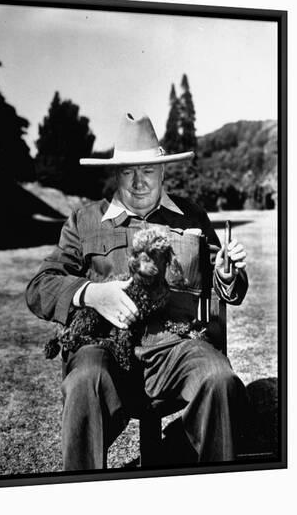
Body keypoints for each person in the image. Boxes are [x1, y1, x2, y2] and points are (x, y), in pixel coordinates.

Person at [26, 113, 248, 470]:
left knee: (218, 378)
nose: (139, 182)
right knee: (85, 380)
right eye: (128, 171)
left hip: (176, 347)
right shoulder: (83, 222)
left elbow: (227, 285)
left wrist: (226, 273)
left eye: (148, 170)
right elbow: (40, 286)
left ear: (163, 171)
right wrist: (93, 295)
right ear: (115, 174)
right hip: (105, 350)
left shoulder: (191, 217)